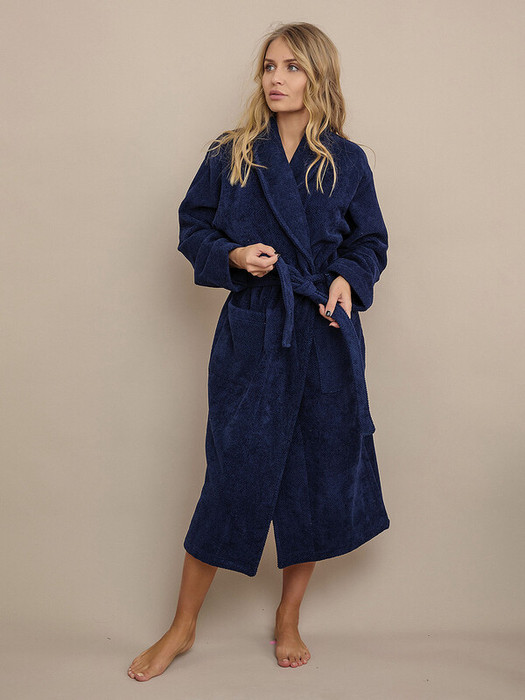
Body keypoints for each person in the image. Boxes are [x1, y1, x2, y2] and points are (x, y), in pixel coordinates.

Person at [128, 21, 390, 682]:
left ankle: (287, 617)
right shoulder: (233, 152)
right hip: (255, 332)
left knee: (312, 477)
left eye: (292, 67)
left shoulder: (347, 161)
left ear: (318, 76)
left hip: (323, 332)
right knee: (233, 474)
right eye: (270, 66)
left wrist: (345, 279)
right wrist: (233, 256)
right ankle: (183, 626)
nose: (276, 78)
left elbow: (370, 243)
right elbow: (193, 227)